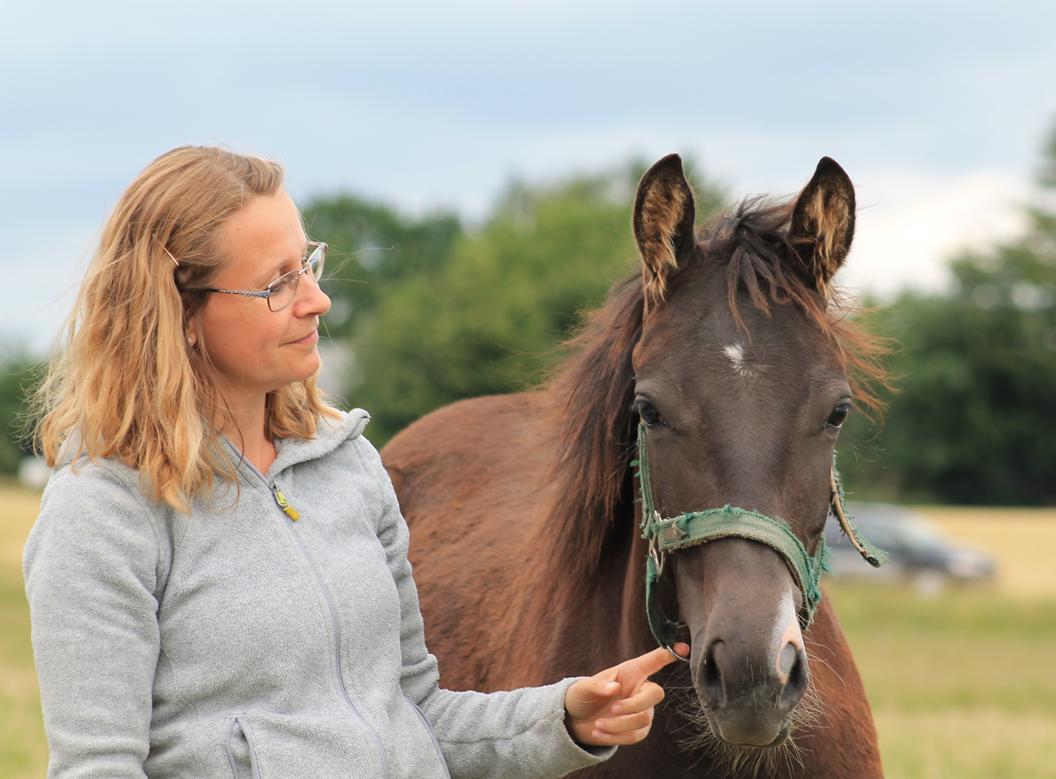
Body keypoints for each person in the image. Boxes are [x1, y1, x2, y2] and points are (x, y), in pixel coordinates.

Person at [24, 146, 688, 778]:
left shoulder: (349, 466)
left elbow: (418, 713)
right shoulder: (104, 511)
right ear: (181, 312)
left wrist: (564, 716)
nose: (317, 299)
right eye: (276, 285)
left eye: (306, 264)